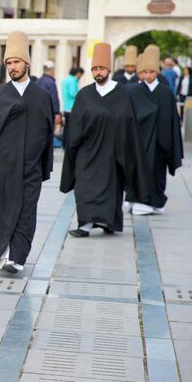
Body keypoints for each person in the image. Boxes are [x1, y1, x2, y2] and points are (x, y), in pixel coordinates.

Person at [0, 31, 53, 274]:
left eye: (16, 62)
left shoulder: (42, 96)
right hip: (0, 169)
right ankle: (1, 252)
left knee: (27, 211)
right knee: (0, 211)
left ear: (27, 63)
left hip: (30, 168)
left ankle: (17, 256)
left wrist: (44, 165)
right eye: (9, 63)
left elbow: (47, 135)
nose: (12, 67)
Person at [61, 43, 149, 237]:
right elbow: (75, 124)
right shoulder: (84, 94)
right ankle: (85, 225)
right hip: (87, 151)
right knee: (84, 188)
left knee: (111, 190)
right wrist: (72, 149)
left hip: (112, 152)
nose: (98, 72)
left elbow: (129, 122)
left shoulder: (122, 93)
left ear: (108, 69)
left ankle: (108, 222)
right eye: (94, 69)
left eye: (101, 68)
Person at [126, 45, 183, 216]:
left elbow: (171, 120)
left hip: (159, 143)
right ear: (141, 73)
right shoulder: (134, 91)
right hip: (139, 142)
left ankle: (155, 201)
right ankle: (138, 200)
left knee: (157, 173)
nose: (149, 75)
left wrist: (168, 144)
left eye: (152, 72)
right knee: (137, 171)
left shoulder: (165, 93)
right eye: (146, 72)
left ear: (157, 72)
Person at [36, 60, 61, 147]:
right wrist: (57, 113)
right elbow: (54, 98)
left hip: (38, 112)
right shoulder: (51, 82)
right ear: (51, 70)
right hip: (49, 113)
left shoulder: (38, 81)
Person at [61, 66, 83, 149]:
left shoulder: (65, 80)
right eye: (81, 75)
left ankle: (64, 144)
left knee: (66, 127)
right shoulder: (73, 81)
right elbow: (73, 93)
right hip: (72, 107)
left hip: (66, 107)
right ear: (78, 73)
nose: (80, 77)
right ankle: (68, 144)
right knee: (71, 128)